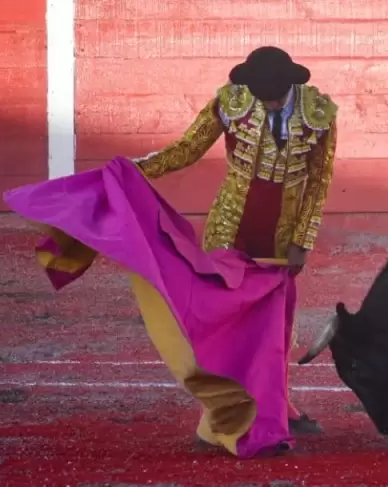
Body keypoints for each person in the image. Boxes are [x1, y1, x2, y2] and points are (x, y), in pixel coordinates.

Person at [131, 46, 339, 440]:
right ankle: (222, 412)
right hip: (232, 225)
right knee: (226, 320)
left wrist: (303, 240)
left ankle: (279, 405)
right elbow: (187, 150)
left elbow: (319, 180)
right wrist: (136, 170)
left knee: (276, 324)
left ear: (291, 85)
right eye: (264, 95)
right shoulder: (231, 103)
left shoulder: (320, 113)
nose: (271, 101)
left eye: (276, 94)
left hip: (282, 232)